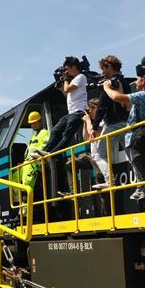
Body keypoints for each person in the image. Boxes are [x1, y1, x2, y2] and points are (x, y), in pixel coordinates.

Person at [103, 76, 145, 210]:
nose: (135, 82)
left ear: (143, 81)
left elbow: (117, 98)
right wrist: (120, 89)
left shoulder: (144, 94)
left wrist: (106, 87)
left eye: (137, 79)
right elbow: (127, 107)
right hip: (144, 138)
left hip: (139, 140)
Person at [43, 56, 88, 194]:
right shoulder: (72, 81)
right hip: (70, 112)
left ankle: (52, 154)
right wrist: (60, 88)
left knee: (67, 134)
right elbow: (67, 95)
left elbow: (68, 89)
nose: (66, 72)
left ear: (74, 67)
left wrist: (65, 80)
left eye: (67, 69)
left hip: (79, 112)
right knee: (56, 130)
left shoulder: (80, 77)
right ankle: (46, 150)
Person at [88, 55, 129, 189]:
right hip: (127, 123)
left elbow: (101, 107)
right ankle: (142, 183)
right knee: (131, 155)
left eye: (103, 69)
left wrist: (94, 127)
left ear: (109, 67)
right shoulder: (125, 82)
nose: (102, 73)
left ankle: (109, 180)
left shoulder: (108, 85)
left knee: (99, 155)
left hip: (113, 124)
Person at [20, 111, 50, 191]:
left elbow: (46, 148)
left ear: (40, 121)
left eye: (35, 123)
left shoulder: (44, 133)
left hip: (38, 161)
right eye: (31, 124)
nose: (33, 125)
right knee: (14, 176)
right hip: (28, 161)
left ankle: (26, 198)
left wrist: (35, 157)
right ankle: (18, 199)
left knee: (27, 177)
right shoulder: (33, 136)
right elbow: (29, 150)